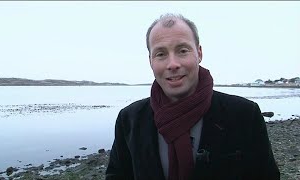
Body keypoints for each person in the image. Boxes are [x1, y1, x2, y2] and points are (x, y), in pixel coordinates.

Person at [105, 13, 280, 180]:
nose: (173, 64)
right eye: (161, 54)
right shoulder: (129, 120)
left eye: (182, 50)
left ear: (199, 54)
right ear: (150, 60)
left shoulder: (245, 115)